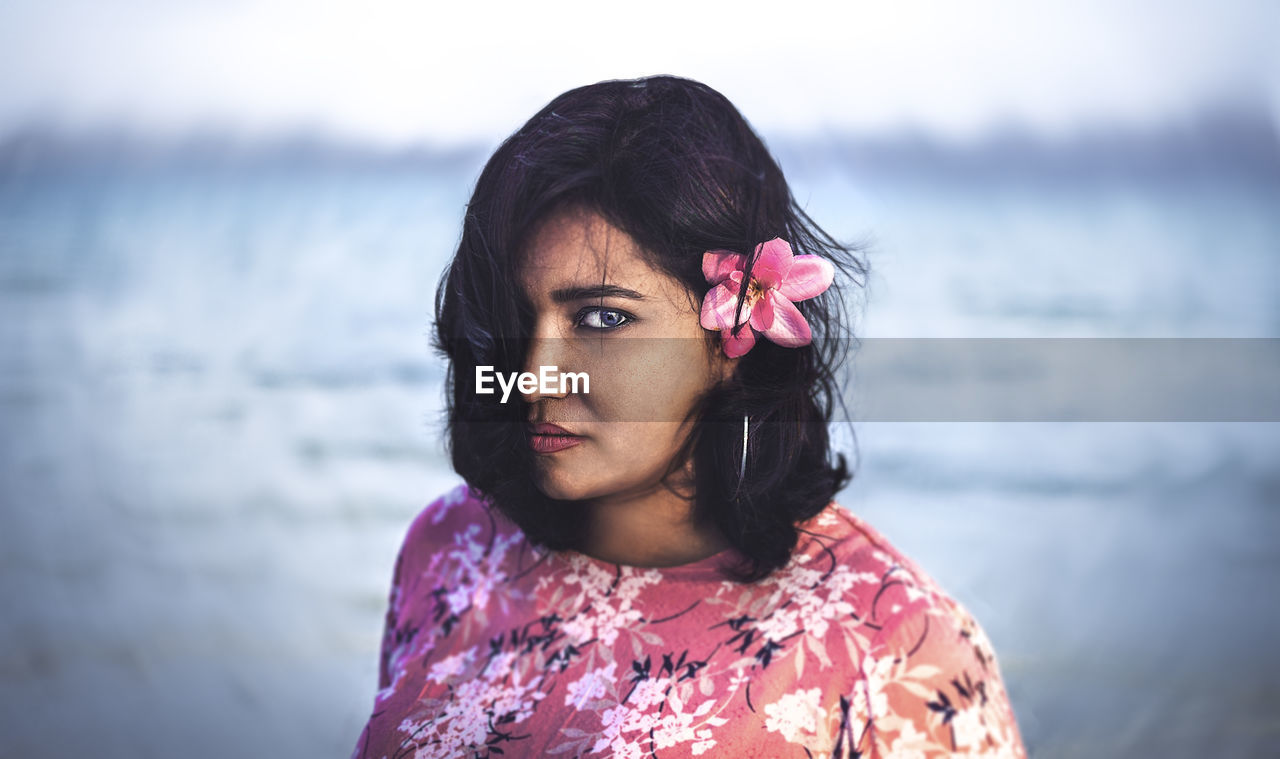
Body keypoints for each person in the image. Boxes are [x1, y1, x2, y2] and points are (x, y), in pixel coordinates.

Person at [350, 75, 1025, 758]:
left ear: (734, 333)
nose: (534, 374)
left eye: (603, 318)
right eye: (517, 319)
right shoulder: (451, 546)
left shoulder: (897, 645)